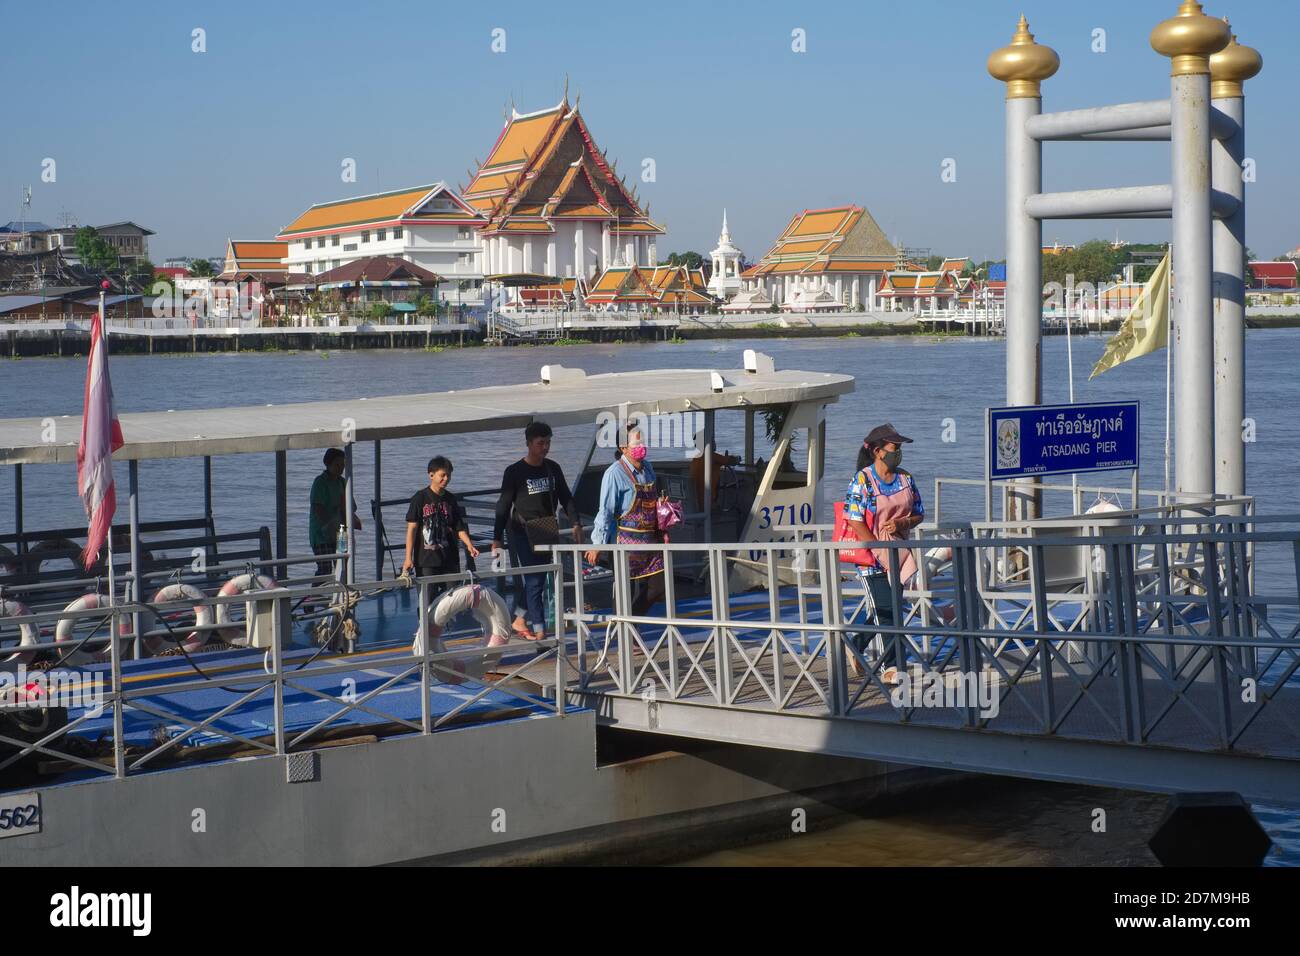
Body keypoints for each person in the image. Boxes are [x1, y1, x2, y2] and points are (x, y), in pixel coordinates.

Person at [843, 424, 924, 683]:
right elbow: (854, 519)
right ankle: (893, 667)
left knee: (891, 608)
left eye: (899, 449)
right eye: (894, 448)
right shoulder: (862, 480)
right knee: (886, 608)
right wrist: (877, 548)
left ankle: (856, 642)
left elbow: (919, 513)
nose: (898, 453)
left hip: (898, 553)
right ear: (878, 451)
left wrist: (903, 524)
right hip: (871, 556)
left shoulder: (906, 478)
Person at [491, 421, 582, 640]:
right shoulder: (514, 471)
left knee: (538, 577)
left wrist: (576, 522)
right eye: (541, 443)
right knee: (534, 580)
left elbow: (566, 497)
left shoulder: (553, 468)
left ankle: (519, 618)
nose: (545, 447)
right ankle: (541, 630)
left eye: (548, 442)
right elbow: (503, 505)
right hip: (521, 531)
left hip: (546, 528)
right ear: (529, 444)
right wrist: (496, 538)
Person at [585, 425, 667, 616]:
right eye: (637, 443)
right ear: (623, 447)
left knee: (658, 587)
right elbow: (605, 511)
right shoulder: (614, 473)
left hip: (649, 541)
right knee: (624, 593)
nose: (642, 446)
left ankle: (633, 623)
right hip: (624, 543)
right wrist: (598, 544)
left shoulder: (648, 468)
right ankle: (625, 635)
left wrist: (662, 509)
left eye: (643, 441)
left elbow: (651, 500)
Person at [402, 456, 480, 600]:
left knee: (451, 600)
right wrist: (408, 558)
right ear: (431, 475)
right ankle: (425, 623)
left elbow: (459, 527)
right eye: (442, 475)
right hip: (426, 560)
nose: (446, 479)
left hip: (449, 557)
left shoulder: (451, 499)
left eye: (448, 475)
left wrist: (470, 545)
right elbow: (412, 529)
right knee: (427, 599)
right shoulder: (419, 498)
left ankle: (446, 623)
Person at [309, 448, 361, 579]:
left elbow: (352, 507)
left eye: (342, 465)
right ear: (328, 464)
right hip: (322, 534)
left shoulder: (343, 482)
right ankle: (315, 597)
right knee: (325, 569)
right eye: (337, 465)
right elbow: (318, 509)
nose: (341, 468)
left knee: (344, 566)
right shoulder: (320, 482)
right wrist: (330, 526)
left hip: (341, 532)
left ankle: (343, 595)